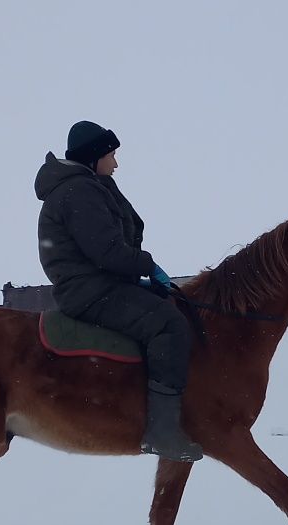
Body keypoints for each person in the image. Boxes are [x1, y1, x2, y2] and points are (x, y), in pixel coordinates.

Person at [35, 122, 202, 462]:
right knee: (168, 324)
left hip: (100, 283)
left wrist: (140, 278)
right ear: (94, 156)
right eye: (111, 155)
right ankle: (162, 432)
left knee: (166, 306)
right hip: (89, 291)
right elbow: (107, 250)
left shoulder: (88, 185)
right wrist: (148, 266)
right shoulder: (78, 191)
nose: (115, 163)